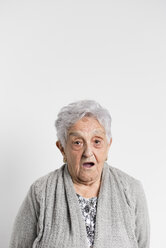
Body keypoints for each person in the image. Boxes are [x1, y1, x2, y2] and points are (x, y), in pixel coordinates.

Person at [9, 100, 150, 248]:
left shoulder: (131, 190)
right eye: (78, 142)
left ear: (108, 146)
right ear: (62, 148)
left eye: (97, 141)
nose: (88, 152)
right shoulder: (40, 192)